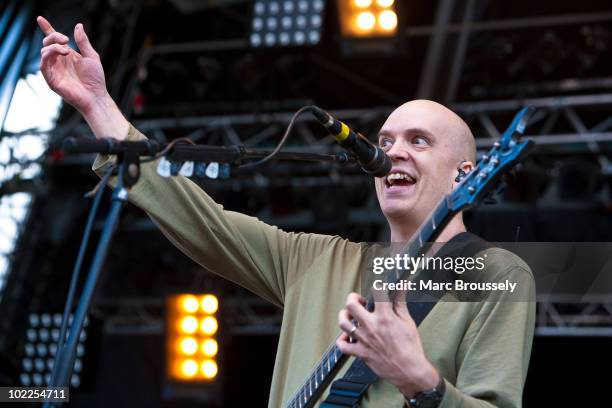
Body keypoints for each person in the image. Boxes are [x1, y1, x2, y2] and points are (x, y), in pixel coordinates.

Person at [37, 16, 535, 408]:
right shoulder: (315, 261)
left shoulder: (497, 274)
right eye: (385, 142)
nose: (394, 151)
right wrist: (99, 105)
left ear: (464, 174)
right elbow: (204, 223)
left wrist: (420, 382)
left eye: (418, 141)